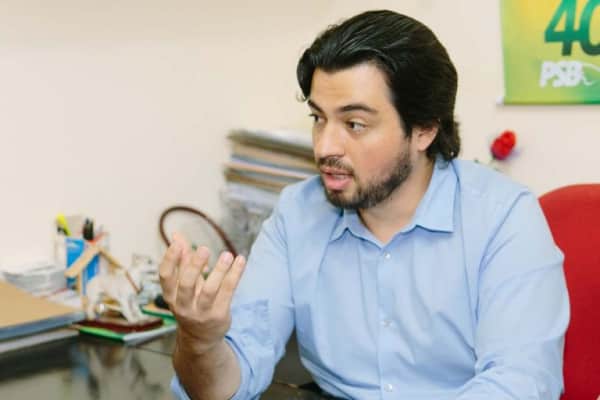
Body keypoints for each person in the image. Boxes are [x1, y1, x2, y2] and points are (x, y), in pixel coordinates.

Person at [160, 10, 569, 400]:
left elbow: (521, 381)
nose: (325, 147)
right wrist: (201, 340)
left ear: (424, 129)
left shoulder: (502, 217)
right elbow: (223, 387)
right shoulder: (297, 214)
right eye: (318, 119)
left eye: (354, 124)